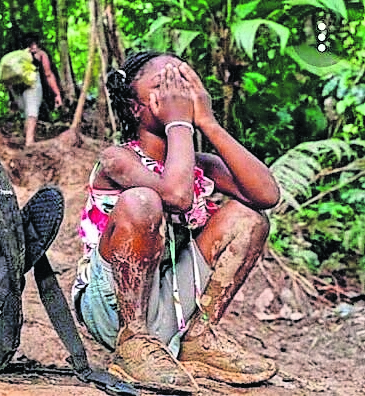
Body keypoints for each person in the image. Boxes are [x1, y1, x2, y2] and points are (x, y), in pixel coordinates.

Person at [72, 51, 281, 393]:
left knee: (248, 217)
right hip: (112, 307)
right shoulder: (117, 160)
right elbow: (176, 196)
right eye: (163, 87)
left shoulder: (202, 165)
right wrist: (180, 122)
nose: (177, 96)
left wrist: (208, 122)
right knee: (143, 201)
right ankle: (133, 342)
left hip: (175, 305)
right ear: (133, 107)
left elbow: (267, 195)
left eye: (183, 85)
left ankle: (200, 336)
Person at [7, 32, 62, 147]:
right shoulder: (40, 54)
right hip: (32, 84)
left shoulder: (17, 56)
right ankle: (29, 142)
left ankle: (25, 138)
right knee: (32, 112)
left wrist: (11, 97)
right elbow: (48, 74)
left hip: (15, 88)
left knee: (26, 112)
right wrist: (57, 94)